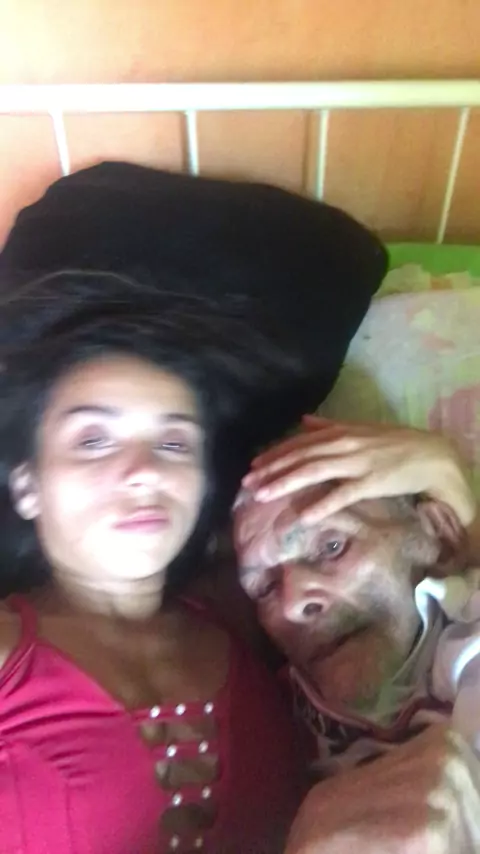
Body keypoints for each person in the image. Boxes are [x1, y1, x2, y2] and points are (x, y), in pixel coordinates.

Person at [0, 270, 304, 854]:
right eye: (93, 440)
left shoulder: (262, 609)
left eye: (174, 444)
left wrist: (441, 473)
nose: (145, 472)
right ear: (27, 486)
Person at [240, 416, 480, 853]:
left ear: (437, 537)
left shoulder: (468, 639)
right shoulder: (261, 713)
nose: (292, 604)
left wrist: (444, 474)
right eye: (263, 587)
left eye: (331, 546)